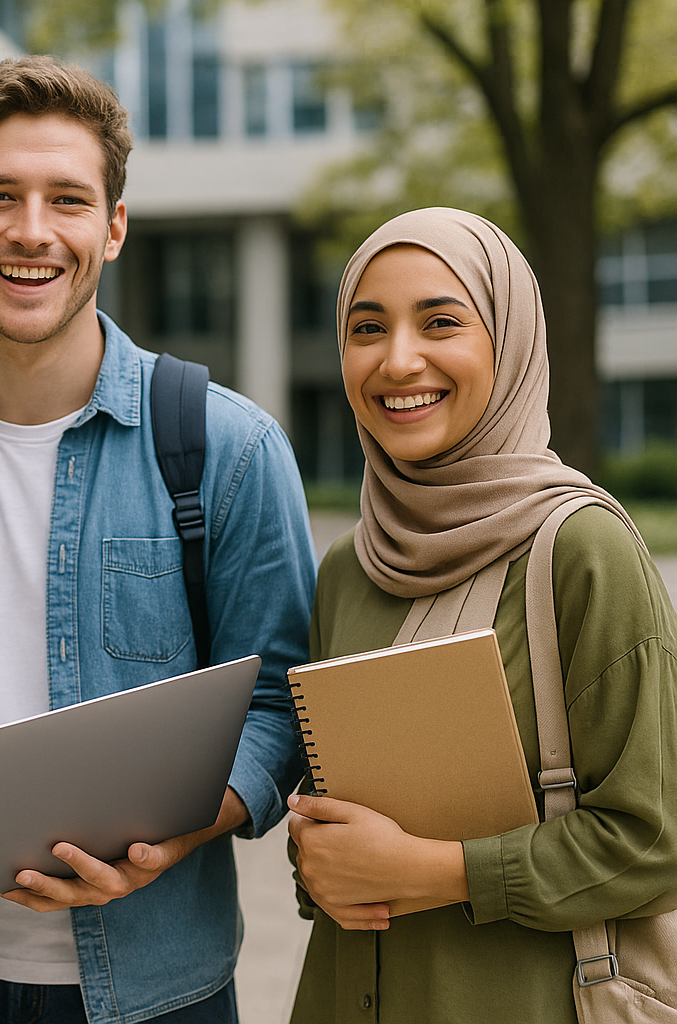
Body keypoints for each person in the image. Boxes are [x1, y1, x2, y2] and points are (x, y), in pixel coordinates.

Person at [0, 56, 317, 1024]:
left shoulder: (227, 448)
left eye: (67, 199)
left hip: (158, 987)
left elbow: (283, 702)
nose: (31, 231)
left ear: (111, 227)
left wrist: (187, 826)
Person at [285, 207, 677, 1022]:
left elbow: (655, 842)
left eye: (440, 322)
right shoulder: (346, 569)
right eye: (367, 327)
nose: (399, 360)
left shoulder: (579, 549)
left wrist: (436, 872)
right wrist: (315, 858)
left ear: (509, 339)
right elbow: (334, 826)